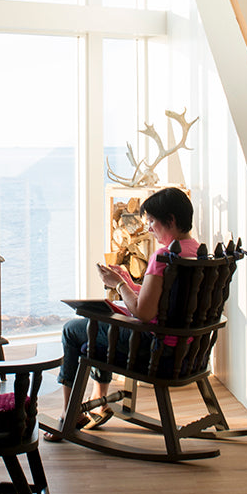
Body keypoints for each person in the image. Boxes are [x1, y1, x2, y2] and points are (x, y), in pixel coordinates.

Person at [45, 186, 200, 441]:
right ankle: (99, 400)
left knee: (74, 329)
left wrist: (119, 284)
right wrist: (132, 284)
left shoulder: (163, 256)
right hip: (187, 349)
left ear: (170, 220)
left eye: (151, 221)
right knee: (98, 330)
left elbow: (143, 311)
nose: (149, 228)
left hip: (157, 349)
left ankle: (68, 413)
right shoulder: (193, 251)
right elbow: (167, 299)